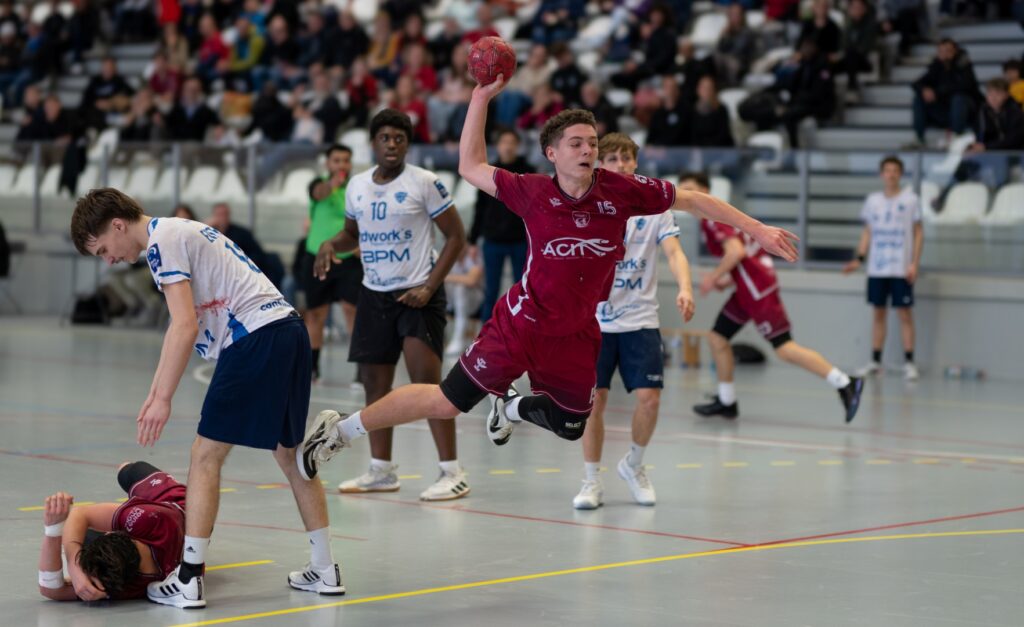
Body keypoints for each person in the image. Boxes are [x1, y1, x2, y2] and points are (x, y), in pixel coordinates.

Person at [296, 75, 799, 485]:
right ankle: (340, 430)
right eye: (576, 143)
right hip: (522, 323)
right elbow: (470, 165)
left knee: (571, 424)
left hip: (578, 332)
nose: (587, 150)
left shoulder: (622, 191)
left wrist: (756, 229)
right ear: (552, 153)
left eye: (592, 142)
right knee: (446, 401)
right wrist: (480, 97)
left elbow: (692, 199)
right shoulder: (531, 192)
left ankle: (511, 409)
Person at [70, 189, 344, 608]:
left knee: (204, 455)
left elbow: (184, 326)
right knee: (290, 456)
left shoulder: (162, 242)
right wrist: (155, 392)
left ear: (118, 225)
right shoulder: (178, 232)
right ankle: (324, 568)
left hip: (254, 337)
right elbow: (180, 326)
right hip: (288, 330)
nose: (108, 260)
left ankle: (189, 578)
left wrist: (163, 399)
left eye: (104, 249)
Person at [310, 109, 470, 502]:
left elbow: (456, 237)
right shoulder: (357, 186)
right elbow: (351, 234)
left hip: (418, 295)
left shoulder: (425, 182)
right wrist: (331, 243)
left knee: (427, 386)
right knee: (375, 385)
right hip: (374, 294)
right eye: (385, 137)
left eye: (399, 138)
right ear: (373, 143)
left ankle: (452, 471)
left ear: (408, 144)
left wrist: (429, 286)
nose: (392, 144)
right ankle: (381, 470)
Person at [573, 132, 695, 510]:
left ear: (636, 163)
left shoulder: (655, 208)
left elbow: (674, 253)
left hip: (640, 318)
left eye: (626, 158)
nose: (621, 164)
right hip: (596, 322)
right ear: (600, 164)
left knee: (649, 399)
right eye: (612, 158)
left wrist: (685, 287)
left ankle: (634, 464)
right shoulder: (588, 205)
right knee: (594, 402)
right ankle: (591, 480)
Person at [682, 172, 864, 423]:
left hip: (756, 290)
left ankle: (844, 382)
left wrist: (713, 277)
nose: (684, 193)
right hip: (749, 287)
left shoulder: (712, 218)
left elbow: (735, 252)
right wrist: (727, 280)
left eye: (689, 188)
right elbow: (745, 258)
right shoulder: (718, 215)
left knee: (784, 348)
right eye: (681, 188)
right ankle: (727, 401)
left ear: (703, 190)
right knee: (717, 337)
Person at [37, 461, 187, 602]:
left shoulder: (116, 584)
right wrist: (74, 566)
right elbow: (80, 513)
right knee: (125, 471)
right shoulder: (153, 521)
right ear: (114, 532)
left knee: (80, 536)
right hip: (175, 504)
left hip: (166, 516)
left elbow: (51, 590)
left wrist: (53, 531)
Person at [843, 156, 923, 381]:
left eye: (895, 170)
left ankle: (909, 363)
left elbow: (918, 232)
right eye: (887, 170)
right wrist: (859, 258)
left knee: (904, 313)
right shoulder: (873, 201)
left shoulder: (911, 200)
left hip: (900, 267)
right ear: (881, 174)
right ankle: (875, 362)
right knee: (878, 313)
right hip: (878, 267)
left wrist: (914, 263)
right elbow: (867, 232)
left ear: (900, 174)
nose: (891, 174)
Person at [304, 144, 362, 381]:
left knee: (352, 311)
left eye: (345, 160)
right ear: (328, 163)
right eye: (336, 160)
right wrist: (333, 183)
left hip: (349, 260)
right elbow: (318, 193)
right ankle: (312, 367)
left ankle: (361, 371)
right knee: (316, 313)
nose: (341, 165)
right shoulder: (318, 185)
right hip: (318, 257)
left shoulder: (358, 188)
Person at [468, 127, 533, 324]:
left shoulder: (528, 171)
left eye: (512, 142)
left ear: (518, 145)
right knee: (491, 290)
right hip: (493, 240)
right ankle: (485, 334)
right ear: (497, 146)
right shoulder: (489, 172)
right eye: (504, 142)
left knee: (523, 289)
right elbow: (480, 208)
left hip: (520, 240)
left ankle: (521, 330)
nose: (508, 147)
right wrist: (472, 240)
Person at [910, 38, 979, 147]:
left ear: (955, 51)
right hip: (944, 110)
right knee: (918, 98)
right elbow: (916, 83)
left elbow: (965, 86)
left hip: (965, 111)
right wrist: (924, 89)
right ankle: (919, 138)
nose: (945, 54)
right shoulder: (937, 66)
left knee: (958, 99)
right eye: (941, 51)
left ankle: (956, 137)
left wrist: (937, 92)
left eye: (948, 51)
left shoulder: (963, 64)